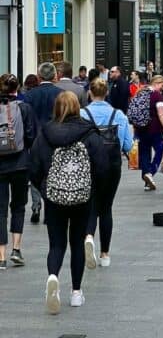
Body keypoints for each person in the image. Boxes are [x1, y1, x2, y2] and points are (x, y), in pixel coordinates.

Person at [29, 91, 109, 313]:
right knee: (76, 243)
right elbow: (103, 166)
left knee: (56, 244)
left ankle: (53, 276)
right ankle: (76, 292)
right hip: (83, 198)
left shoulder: (45, 134)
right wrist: (94, 189)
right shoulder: (89, 133)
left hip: (54, 197)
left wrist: (45, 188)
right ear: (78, 107)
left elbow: (33, 167)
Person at [81, 77, 133, 270]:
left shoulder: (82, 114)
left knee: (91, 204)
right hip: (111, 164)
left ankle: (88, 236)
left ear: (90, 93)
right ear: (107, 93)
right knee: (107, 207)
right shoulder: (118, 115)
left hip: (89, 163)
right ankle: (105, 254)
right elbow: (127, 144)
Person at [0, 74, 36, 269]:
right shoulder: (24, 108)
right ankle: (16, 249)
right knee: (19, 207)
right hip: (21, 164)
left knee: (0, 209)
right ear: (18, 88)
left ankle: (1, 256)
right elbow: (31, 136)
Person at [25, 62, 61, 225]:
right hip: (55, 139)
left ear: (39, 77)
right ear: (55, 76)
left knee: (35, 174)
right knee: (53, 173)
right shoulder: (60, 94)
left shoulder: (30, 96)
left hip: (35, 141)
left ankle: (36, 205)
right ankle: (50, 207)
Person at [136, 75, 163, 191]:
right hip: (155, 128)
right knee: (160, 148)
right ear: (156, 83)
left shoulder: (140, 92)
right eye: (162, 85)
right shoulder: (157, 95)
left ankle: (146, 179)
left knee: (144, 152)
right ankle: (150, 172)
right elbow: (161, 114)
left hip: (141, 128)